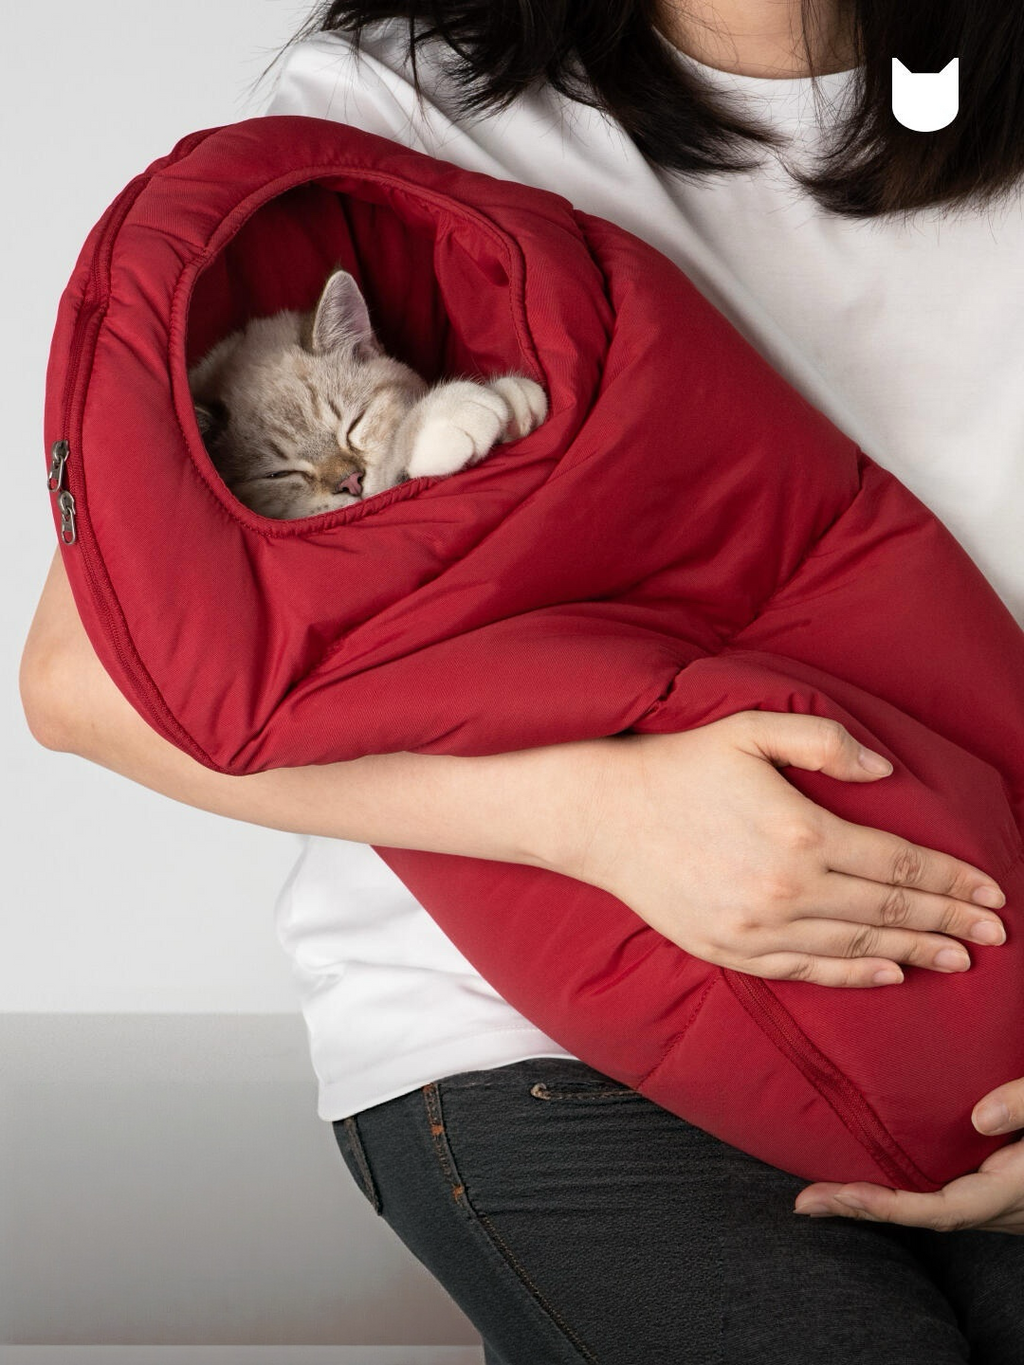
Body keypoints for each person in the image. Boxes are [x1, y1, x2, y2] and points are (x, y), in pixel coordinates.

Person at [20, 1, 1024, 1360]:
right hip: (530, 1032)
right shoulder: (398, 110)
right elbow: (87, 681)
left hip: (985, 984)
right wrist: (598, 818)